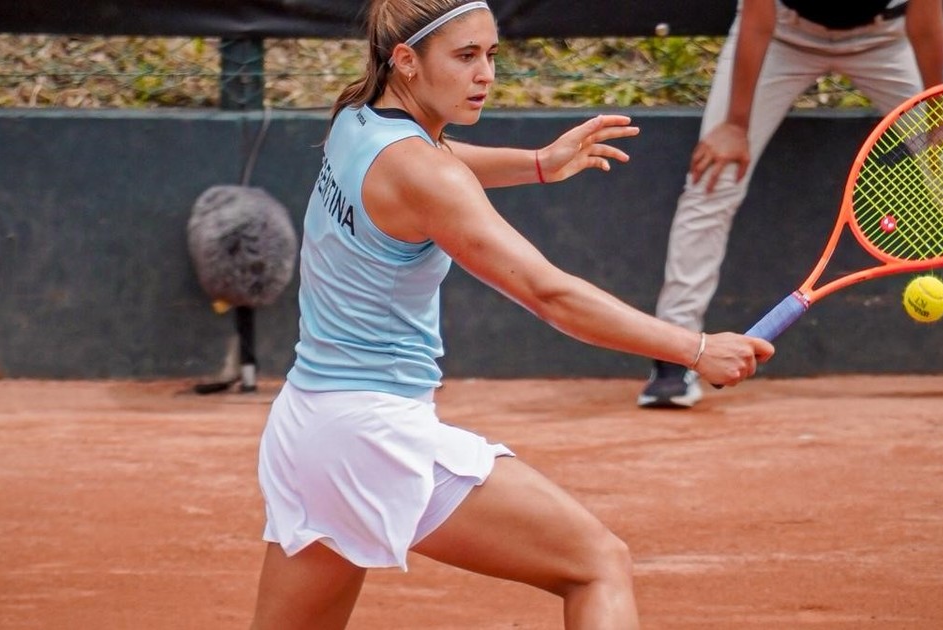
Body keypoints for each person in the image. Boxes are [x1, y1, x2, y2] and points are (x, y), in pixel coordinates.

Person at [248, 1, 775, 628]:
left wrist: (539, 164)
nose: (486, 74)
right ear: (407, 61)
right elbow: (550, 294)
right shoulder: (425, 174)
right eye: (465, 56)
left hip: (308, 429)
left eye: (491, 55)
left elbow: (433, 160)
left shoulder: (354, 121)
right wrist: (694, 349)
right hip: (373, 438)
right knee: (597, 564)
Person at [638, 0, 943, 409]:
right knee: (713, 175)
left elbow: (923, 18)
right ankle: (677, 353)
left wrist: (938, 114)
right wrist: (735, 125)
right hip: (784, 35)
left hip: (886, 40)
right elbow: (758, 18)